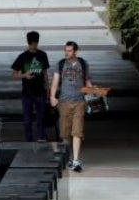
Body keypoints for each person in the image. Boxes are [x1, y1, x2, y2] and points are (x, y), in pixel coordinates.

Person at [49, 41, 92, 172]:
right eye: (65, 50)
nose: (66, 53)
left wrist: (93, 92)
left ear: (75, 51)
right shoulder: (61, 64)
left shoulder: (83, 64)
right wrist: (52, 96)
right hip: (64, 102)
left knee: (77, 131)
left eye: (69, 50)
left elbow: (87, 80)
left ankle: (76, 160)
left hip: (79, 101)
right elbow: (55, 81)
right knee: (65, 133)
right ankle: (67, 157)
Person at [11, 31, 51, 142]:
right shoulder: (23, 57)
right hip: (27, 93)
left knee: (41, 117)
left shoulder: (42, 55)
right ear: (28, 43)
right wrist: (24, 75)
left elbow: (45, 73)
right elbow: (13, 75)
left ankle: (41, 137)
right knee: (27, 119)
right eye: (32, 43)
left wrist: (48, 89)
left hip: (40, 92)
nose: (34, 45)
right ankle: (28, 139)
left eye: (36, 43)